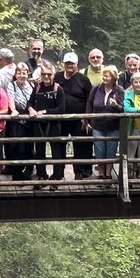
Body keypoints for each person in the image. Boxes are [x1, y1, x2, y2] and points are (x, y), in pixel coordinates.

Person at [55, 52, 93, 180]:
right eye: (67, 63)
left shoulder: (83, 80)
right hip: (61, 118)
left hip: (78, 119)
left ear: (77, 64)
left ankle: (79, 172)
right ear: (63, 64)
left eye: (72, 63)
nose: (70, 65)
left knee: (80, 146)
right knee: (60, 145)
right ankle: (59, 173)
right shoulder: (57, 77)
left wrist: (86, 118)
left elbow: (89, 99)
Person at [28, 61, 65, 187]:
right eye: (44, 74)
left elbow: (61, 109)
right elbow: (30, 102)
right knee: (39, 151)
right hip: (38, 124)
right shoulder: (37, 87)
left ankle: (57, 176)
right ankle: (41, 176)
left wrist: (44, 112)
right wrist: (31, 109)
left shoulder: (58, 89)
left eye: (49, 74)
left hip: (53, 124)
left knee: (56, 151)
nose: (46, 77)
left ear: (53, 75)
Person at [87, 65, 123, 180]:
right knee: (99, 150)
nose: (105, 78)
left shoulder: (119, 90)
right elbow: (89, 104)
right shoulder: (96, 88)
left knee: (111, 151)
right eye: (104, 75)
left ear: (113, 77)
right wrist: (87, 120)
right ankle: (101, 173)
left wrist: (115, 105)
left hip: (113, 126)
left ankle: (108, 174)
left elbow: (123, 108)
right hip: (97, 125)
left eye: (108, 76)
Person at [7, 61, 35, 181]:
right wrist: (13, 110)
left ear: (28, 74)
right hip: (17, 117)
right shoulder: (11, 85)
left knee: (29, 145)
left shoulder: (32, 86)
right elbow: (11, 98)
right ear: (16, 74)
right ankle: (17, 172)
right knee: (17, 145)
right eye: (19, 73)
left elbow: (34, 100)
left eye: (24, 73)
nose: (22, 75)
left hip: (30, 118)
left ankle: (29, 170)